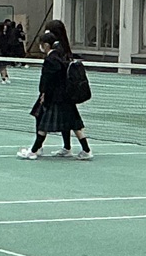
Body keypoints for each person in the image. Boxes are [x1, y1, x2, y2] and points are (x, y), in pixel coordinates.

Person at [19, 20, 92, 160]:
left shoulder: (55, 55)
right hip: (64, 94)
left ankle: (35, 149)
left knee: (44, 122)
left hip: (56, 95)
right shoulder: (61, 51)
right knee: (72, 123)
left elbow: (49, 77)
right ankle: (76, 148)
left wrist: (44, 93)